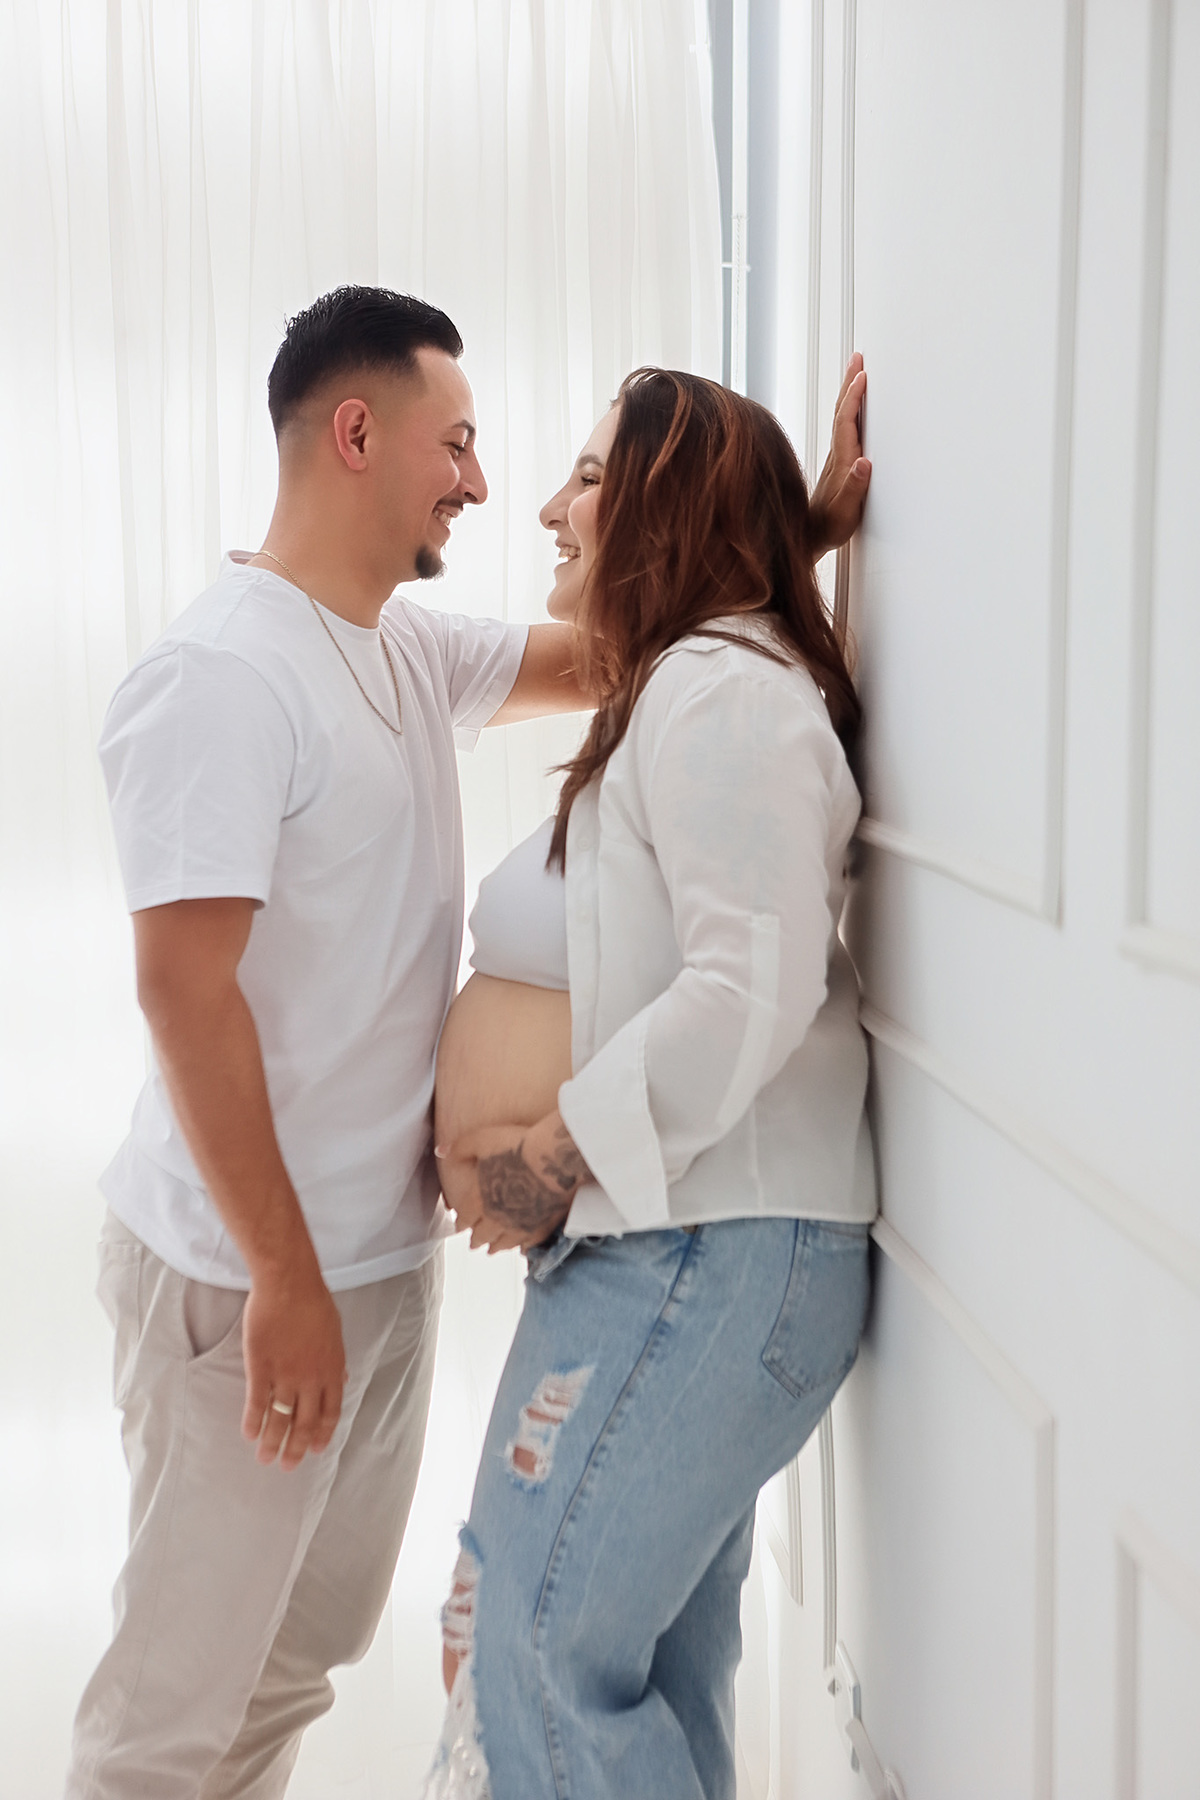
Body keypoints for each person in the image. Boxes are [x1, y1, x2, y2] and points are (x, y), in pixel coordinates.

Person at [66, 286, 589, 1800]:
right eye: (458, 443)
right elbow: (185, 993)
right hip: (248, 1281)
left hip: (374, 1267)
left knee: (292, 1672)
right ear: (356, 432)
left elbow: (607, 656)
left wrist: (796, 529)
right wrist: (285, 1278)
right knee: (172, 1719)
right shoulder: (224, 675)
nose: (480, 482)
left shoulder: (400, 649)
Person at [427, 362, 875, 1800]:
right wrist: (796, 532)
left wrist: (545, 1162)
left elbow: (750, 987)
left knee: (525, 1653)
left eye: (587, 477)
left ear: (670, 509)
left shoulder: (719, 692)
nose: (549, 510)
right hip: (679, 1242)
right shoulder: (697, 681)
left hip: (694, 1246)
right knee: (630, 1670)